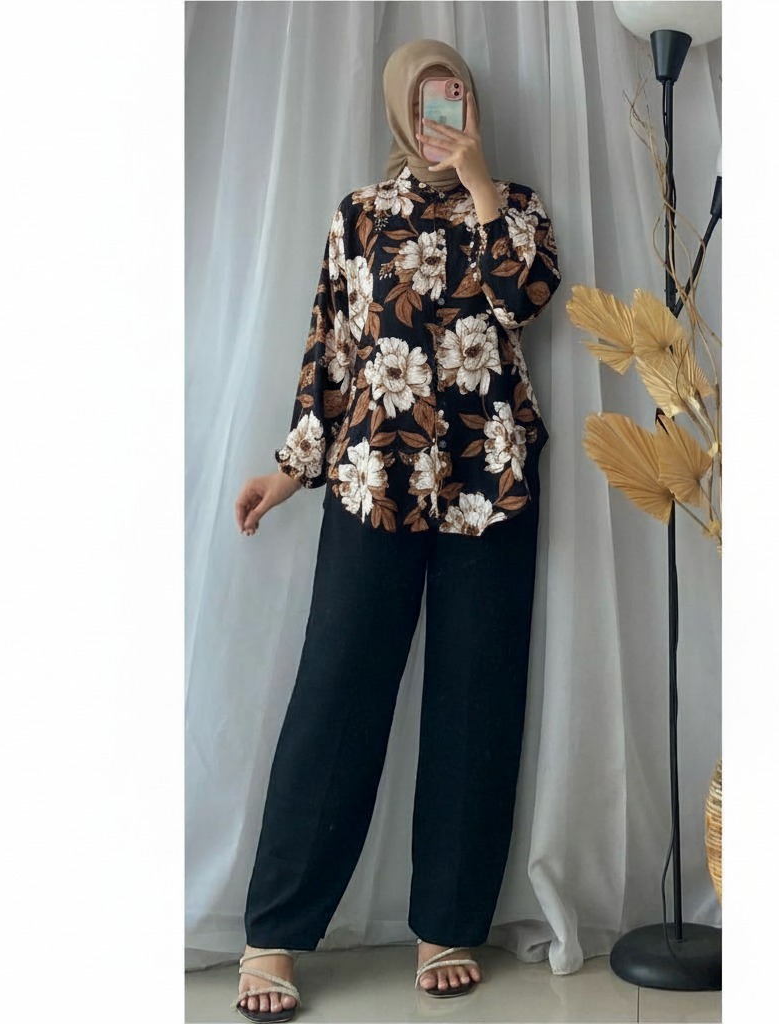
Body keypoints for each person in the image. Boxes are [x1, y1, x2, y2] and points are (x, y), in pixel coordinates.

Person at [231, 38, 560, 1023]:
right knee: (335, 693)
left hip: (488, 483)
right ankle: (274, 932)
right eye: (421, 105)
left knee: (475, 701)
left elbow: (523, 298)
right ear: (395, 111)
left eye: (449, 99)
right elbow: (330, 353)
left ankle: (445, 922)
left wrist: (479, 182)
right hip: (372, 477)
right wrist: (291, 468)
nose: (435, 120)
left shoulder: (517, 208)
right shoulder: (359, 214)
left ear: (471, 106)